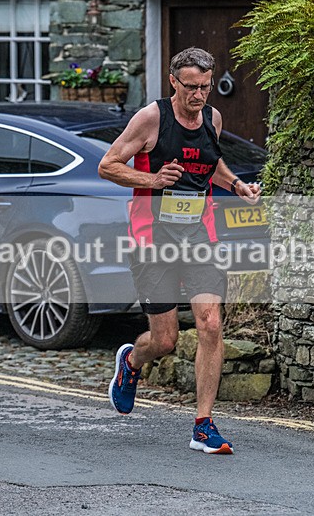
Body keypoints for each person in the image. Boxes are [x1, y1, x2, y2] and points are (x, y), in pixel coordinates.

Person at [98, 47, 261, 454]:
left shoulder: (213, 118)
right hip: (152, 237)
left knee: (210, 323)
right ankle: (131, 363)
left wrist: (236, 185)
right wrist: (153, 179)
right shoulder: (152, 119)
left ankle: (203, 425)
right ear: (174, 81)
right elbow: (108, 164)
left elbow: (211, 162)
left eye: (205, 87)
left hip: (199, 235)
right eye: (191, 87)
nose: (199, 95)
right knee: (165, 341)